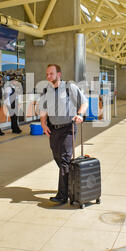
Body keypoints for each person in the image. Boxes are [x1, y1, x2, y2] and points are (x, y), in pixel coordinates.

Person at [39, 64, 88, 205]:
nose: (48, 76)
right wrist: (43, 124)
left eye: (51, 74)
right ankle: (71, 182)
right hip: (53, 129)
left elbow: (84, 103)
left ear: (59, 74)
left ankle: (62, 195)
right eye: (47, 74)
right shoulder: (45, 91)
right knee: (58, 158)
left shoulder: (69, 87)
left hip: (68, 128)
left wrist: (80, 115)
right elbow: (43, 110)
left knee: (64, 159)